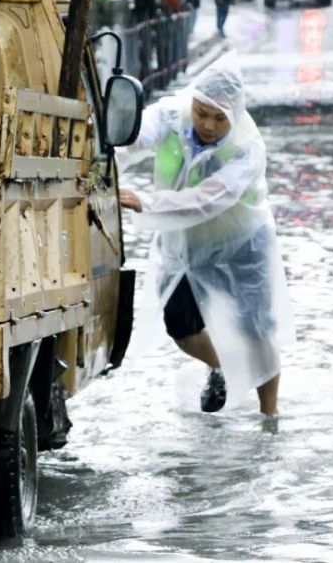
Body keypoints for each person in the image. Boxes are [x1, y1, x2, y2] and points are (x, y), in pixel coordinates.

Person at [115, 56, 294, 420]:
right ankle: (222, 368)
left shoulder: (247, 149)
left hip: (241, 246)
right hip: (185, 246)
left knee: (256, 330)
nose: (208, 125)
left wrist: (146, 201)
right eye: (201, 113)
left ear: (235, 114)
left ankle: (269, 418)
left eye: (218, 118)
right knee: (180, 325)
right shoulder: (171, 115)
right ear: (192, 102)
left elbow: (207, 200)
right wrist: (105, 167)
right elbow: (132, 138)